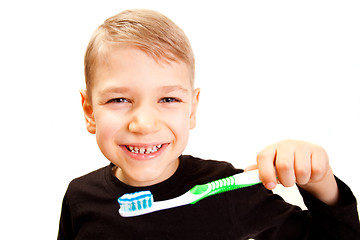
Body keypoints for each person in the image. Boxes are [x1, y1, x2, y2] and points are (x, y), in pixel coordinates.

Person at [58, 9, 360, 239]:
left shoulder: (225, 190)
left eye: (168, 100)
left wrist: (321, 182)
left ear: (192, 109)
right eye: (119, 100)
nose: (144, 124)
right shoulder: (80, 197)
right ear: (89, 112)